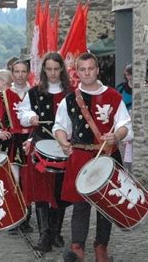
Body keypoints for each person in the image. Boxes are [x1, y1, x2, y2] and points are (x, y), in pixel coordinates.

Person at [53, 52, 132, 261]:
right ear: (77, 72)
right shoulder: (70, 99)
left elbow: (125, 124)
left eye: (91, 68)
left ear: (97, 70)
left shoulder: (114, 95)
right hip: (80, 156)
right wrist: (62, 141)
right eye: (82, 69)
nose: (87, 73)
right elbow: (60, 126)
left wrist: (116, 135)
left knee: (107, 205)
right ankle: (77, 247)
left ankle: (101, 248)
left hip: (108, 155)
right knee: (80, 204)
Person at [17, 52, 71, 252]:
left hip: (63, 146)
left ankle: (56, 232)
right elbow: (23, 113)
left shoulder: (71, 92)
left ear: (62, 70)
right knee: (41, 191)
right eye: (49, 69)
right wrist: (31, 117)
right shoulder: (33, 93)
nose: (53, 73)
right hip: (40, 144)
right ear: (44, 70)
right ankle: (44, 235)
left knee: (59, 190)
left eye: (56, 69)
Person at [2, 59, 34, 234]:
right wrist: (0, 131)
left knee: (29, 181)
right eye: (17, 72)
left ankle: (26, 219)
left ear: (28, 72)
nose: (20, 75)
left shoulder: (35, 92)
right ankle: (15, 217)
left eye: (23, 71)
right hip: (13, 141)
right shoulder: (4, 94)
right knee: (14, 180)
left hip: (30, 139)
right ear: (12, 73)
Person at [115, 64, 134, 173]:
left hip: (136, 124)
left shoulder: (138, 87)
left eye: (131, 74)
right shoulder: (120, 88)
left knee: (133, 152)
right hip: (123, 124)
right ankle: (123, 172)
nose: (130, 77)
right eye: (128, 74)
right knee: (123, 151)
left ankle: (132, 174)